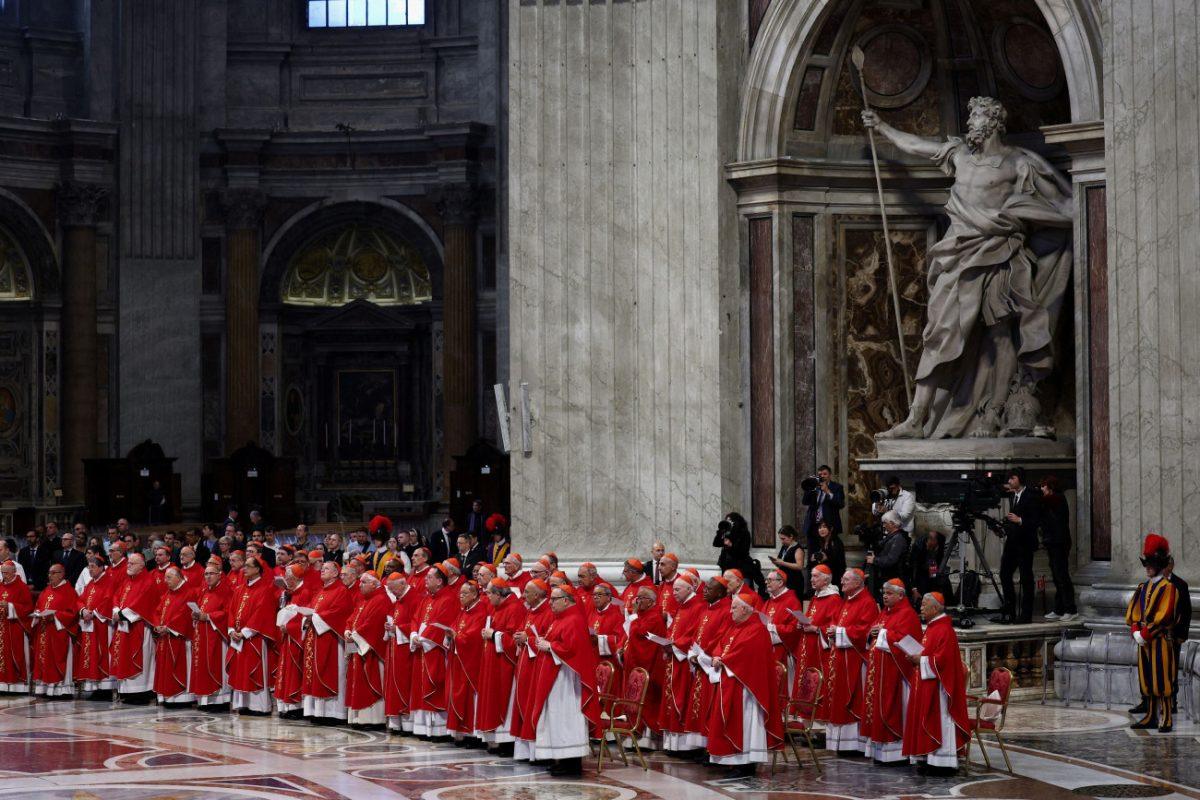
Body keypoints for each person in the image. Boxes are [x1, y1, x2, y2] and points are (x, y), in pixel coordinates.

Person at [525, 586, 600, 777]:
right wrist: (546, 643)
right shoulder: (560, 619)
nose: (550, 603)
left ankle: (572, 763)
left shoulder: (573, 619)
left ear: (566, 600)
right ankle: (559, 759)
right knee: (556, 719)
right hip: (556, 678)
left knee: (566, 719)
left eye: (554, 599)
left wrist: (549, 645)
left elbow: (573, 649)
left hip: (566, 680)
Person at [707, 592, 784, 777]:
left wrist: (723, 660)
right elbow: (722, 644)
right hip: (731, 681)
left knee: (746, 724)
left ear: (744, 609)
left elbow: (745, 655)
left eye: (733, 607)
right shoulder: (734, 627)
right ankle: (734, 760)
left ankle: (746, 763)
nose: (730, 611)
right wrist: (717, 656)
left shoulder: (757, 629)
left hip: (748, 688)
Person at [903, 591, 970, 774]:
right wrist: (917, 658)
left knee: (940, 721)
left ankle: (942, 763)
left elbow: (943, 661)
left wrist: (921, 661)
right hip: (927, 683)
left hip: (940, 689)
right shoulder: (933, 626)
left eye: (924, 605)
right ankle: (928, 758)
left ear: (934, 607)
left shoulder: (944, 629)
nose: (921, 608)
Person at [862, 578, 922, 764]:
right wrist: (872, 632)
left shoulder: (908, 614)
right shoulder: (885, 613)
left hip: (896, 674)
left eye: (889, 593)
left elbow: (906, 642)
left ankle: (897, 753)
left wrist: (884, 633)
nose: (885, 596)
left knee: (893, 709)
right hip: (879, 671)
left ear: (901, 595)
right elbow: (874, 632)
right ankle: (881, 752)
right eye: (884, 593)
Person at [1126, 533, 1179, 732]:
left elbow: (1164, 616)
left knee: (1162, 680)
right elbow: (1133, 613)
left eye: (1151, 563)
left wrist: (1145, 634)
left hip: (1159, 642)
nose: (1147, 567)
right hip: (1145, 642)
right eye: (1146, 563)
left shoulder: (1168, 588)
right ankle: (1151, 715)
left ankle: (1166, 718)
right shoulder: (1143, 586)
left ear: (1159, 564)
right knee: (1147, 679)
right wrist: (1135, 632)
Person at [824, 568, 879, 753]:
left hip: (855, 658)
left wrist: (839, 632)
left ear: (857, 582)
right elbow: (837, 621)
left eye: (846, 580)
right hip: (841, 656)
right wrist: (832, 630)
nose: (842, 582)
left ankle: (854, 743)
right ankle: (841, 742)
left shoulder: (867, 602)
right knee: (838, 697)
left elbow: (865, 630)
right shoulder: (847, 600)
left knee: (853, 697)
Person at [475, 577, 527, 755]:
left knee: (506, 701)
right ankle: (497, 740)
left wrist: (494, 634)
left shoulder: (514, 608)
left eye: (489, 593)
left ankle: (507, 741)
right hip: (494, 661)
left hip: (506, 665)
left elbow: (514, 640)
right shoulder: (497, 607)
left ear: (498, 594)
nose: (486, 596)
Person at [409, 563, 461, 739]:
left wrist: (423, 639)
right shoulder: (426, 598)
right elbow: (416, 618)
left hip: (435, 650)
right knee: (420, 686)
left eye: (430, 577)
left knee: (434, 685)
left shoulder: (449, 599)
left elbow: (443, 623)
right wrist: (414, 633)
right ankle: (423, 728)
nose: (426, 579)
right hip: (422, 647)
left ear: (440, 581)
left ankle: (438, 729)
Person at [301, 561, 356, 724]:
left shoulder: (341, 591)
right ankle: (316, 712)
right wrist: (306, 618)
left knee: (330, 672)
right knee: (314, 674)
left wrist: (316, 617)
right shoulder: (320, 591)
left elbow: (340, 613)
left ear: (335, 573)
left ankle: (333, 713)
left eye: (326, 569)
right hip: (315, 637)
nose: (322, 571)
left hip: (331, 640)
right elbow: (311, 609)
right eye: (322, 569)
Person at [660, 572, 708, 757]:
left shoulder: (698, 606)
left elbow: (695, 634)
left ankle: (685, 747)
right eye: (673, 589)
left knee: (682, 698)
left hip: (684, 661)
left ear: (690, 588)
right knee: (670, 698)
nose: (674, 593)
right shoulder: (681, 606)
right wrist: (666, 643)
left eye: (678, 589)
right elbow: (673, 630)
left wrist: (676, 646)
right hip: (674, 658)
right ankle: (673, 745)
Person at [226, 555, 279, 715]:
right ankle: (243, 704)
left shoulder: (265, 590)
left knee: (253, 670)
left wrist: (244, 632)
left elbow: (262, 614)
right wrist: (231, 630)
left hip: (254, 637)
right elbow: (232, 611)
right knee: (239, 671)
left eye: (248, 566)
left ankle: (259, 707)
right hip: (238, 638)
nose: (244, 569)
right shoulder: (239, 589)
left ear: (257, 569)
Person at [110, 553, 163, 703]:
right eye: (128, 563)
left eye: (132, 564)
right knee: (123, 657)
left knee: (140, 658)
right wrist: (115, 611)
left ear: (142, 565)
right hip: (123, 625)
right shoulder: (127, 581)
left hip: (139, 626)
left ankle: (142, 693)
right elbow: (116, 596)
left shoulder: (148, 581)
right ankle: (127, 692)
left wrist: (122, 614)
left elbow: (144, 603)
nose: (129, 566)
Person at [619, 585, 667, 748]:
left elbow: (643, 640)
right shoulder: (640, 615)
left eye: (640, 598)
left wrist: (633, 619)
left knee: (646, 699)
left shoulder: (654, 618)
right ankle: (635, 733)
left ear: (651, 601)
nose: (636, 601)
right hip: (635, 663)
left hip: (648, 664)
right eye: (636, 598)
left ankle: (648, 739)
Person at [993, 468, 1041, 624]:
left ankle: (1026, 614)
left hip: (1025, 543)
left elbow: (1036, 521)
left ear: (1019, 479)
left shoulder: (1031, 495)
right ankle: (1010, 611)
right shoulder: (1014, 496)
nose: (1009, 482)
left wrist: (1019, 520)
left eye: (1012, 478)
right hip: (1012, 543)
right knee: (1004, 574)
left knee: (1026, 578)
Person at [345, 573, 393, 727]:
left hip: (371, 650)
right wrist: (347, 630)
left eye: (364, 582)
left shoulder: (381, 599)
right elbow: (352, 618)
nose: (360, 585)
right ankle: (359, 717)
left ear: (374, 584)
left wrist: (355, 634)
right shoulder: (363, 600)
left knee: (370, 681)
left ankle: (373, 719)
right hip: (358, 645)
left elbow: (374, 624)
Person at [446, 579, 489, 744]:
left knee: (469, 698)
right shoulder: (464, 610)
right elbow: (455, 626)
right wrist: (450, 634)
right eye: (460, 593)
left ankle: (471, 733)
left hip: (470, 661)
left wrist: (456, 636)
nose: (460, 596)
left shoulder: (480, 611)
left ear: (474, 595)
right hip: (458, 659)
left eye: (464, 594)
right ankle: (460, 731)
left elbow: (473, 636)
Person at [30, 563, 78, 697]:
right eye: (49, 573)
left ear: (62, 574)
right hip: (45, 630)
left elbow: (73, 613)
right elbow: (38, 606)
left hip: (59, 632)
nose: (49, 576)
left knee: (57, 659)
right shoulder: (47, 590)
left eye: (53, 573)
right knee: (44, 660)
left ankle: (62, 690)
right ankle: (45, 688)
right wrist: (38, 613)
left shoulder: (69, 591)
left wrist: (55, 616)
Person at [274, 564, 315, 719]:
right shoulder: (291, 593)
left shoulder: (305, 592)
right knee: (286, 670)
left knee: (295, 671)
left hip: (297, 638)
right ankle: (287, 705)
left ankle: (295, 706)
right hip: (288, 638)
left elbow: (305, 616)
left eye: (289, 578)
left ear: (297, 577)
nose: (286, 580)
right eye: (286, 577)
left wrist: (289, 627)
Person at [191, 560, 233, 711]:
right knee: (202, 666)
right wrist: (196, 615)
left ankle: (219, 701)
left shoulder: (225, 590)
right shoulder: (205, 591)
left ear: (219, 575)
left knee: (215, 666)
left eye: (211, 574)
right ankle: (205, 700)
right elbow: (201, 609)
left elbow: (228, 612)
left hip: (217, 636)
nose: (208, 577)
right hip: (202, 634)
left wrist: (208, 617)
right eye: (206, 574)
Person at [151, 565, 196, 706]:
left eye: (169, 577)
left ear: (178, 577)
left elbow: (185, 614)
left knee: (179, 666)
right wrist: (157, 624)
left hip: (179, 639)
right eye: (165, 577)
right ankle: (167, 697)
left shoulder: (189, 593)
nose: (165, 580)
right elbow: (157, 611)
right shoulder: (168, 593)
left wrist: (169, 627)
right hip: (165, 636)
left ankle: (182, 699)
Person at [384, 571, 421, 735]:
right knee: (393, 684)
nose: (393, 593)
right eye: (390, 590)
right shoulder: (399, 599)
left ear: (402, 583)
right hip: (395, 646)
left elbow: (416, 623)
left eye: (394, 589)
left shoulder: (414, 598)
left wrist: (397, 628)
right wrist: (390, 626)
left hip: (407, 649)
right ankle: (396, 722)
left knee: (404, 685)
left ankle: (407, 724)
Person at [75, 556, 115, 698]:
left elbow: (109, 600)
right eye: (89, 566)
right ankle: (95, 686)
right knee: (90, 654)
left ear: (101, 567)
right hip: (89, 624)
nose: (90, 569)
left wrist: (94, 613)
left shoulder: (109, 581)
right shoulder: (91, 583)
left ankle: (105, 688)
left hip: (102, 625)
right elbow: (80, 600)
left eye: (92, 566)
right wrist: (83, 611)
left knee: (102, 654)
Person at [1039, 475, 1077, 621]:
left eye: (1043, 486)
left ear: (1051, 487)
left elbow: (1044, 502)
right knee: (1056, 576)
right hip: (1052, 542)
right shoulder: (1049, 502)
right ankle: (1059, 608)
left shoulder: (1058, 499)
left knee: (1062, 576)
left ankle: (1070, 609)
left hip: (1060, 543)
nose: (1041, 489)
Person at [796, 565, 840, 682]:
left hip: (819, 649)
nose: (811, 579)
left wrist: (816, 629)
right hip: (807, 645)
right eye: (811, 576)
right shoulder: (816, 596)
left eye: (815, 576)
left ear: (826, 580)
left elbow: (834, 628)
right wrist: (802, 623)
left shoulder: (833, 599)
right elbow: (811, 618)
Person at [1165, 556, 1191, 715]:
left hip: (1174, 635)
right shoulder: (1156, 583)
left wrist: (1182, 634)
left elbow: (1186, 612)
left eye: (1168, 564)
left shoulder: (1181, 584)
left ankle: (1172, 702)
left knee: (1172, 669)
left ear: (1172, 566)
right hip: (1158, 635)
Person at [866, 511, 910, 601]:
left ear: (892, 523)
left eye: (885, 523)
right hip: (887, 577)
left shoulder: (898, 539)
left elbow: (891, 560)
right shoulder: (892, 536)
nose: (883, 526)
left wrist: (875, 560)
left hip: (894, 578)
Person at [801, 466, 844, 554]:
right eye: (820, 474)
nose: (822, 476)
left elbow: (840, 504)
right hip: (813, 525)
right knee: (812, 552)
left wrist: (827, 491)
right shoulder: (814, 486)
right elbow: (805, 502)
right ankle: (812, 567)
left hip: (829, 525)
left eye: (825, 474)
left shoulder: (837, 487)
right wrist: (810, 488)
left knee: (828, 551)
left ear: (830, 475)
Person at [762, 568, 801, 666]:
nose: (766, 582)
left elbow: (795, 629)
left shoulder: (792, 601)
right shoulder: (768, 602)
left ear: (780, 583)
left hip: (783, 651)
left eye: (770, 580)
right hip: (767, 650)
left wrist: (773, 628)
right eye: (766, 579)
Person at [769, 525, 806, 600]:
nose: (782, 541)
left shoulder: (797, 549)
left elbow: (799, 566)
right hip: (784, 579)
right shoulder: (784, 547)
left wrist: (782, 563)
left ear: (791, 536)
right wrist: (776, 562)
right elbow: (781, 561)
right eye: (781, 539)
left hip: (794, 581)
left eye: (783, 539)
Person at [808, 520, 846, 586]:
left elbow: (839, 562)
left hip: (835, 576)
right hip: (824, 575)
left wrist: (827, 558)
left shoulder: (836, 542)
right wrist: (813, 559)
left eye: (824, 527)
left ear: (831, 529)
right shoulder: (820, 542)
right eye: (819, 528)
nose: (821, 530)